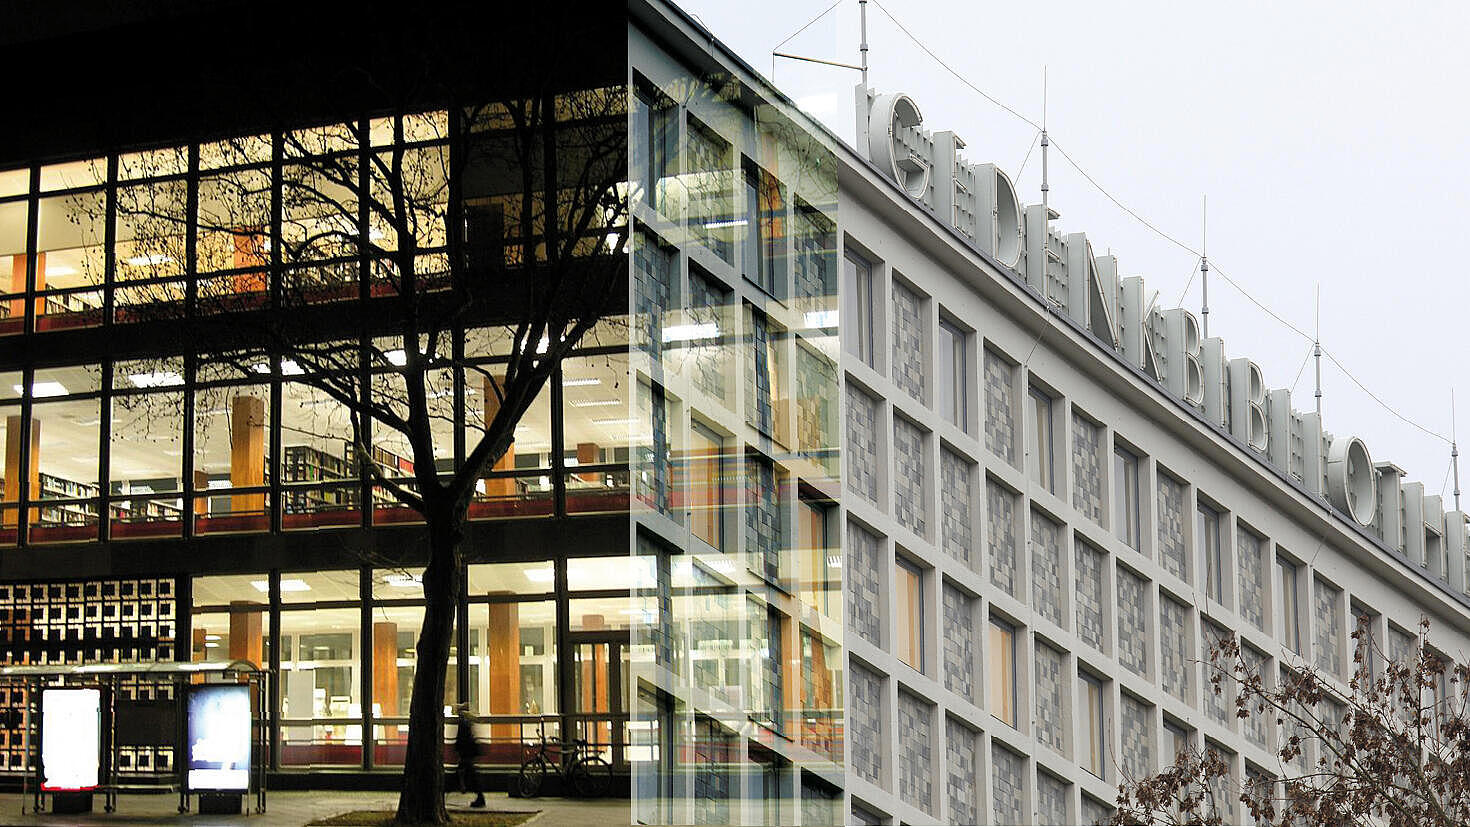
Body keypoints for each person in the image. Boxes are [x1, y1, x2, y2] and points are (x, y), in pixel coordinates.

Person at [453, 702, 485, 808]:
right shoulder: (467, 721)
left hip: (465, 752)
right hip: (469, 751)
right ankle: (476, 794)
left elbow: (461, 738)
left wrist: (457, 748)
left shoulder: (462, 721)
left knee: (467, 772)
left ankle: (475, 793)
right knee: (468, 772)